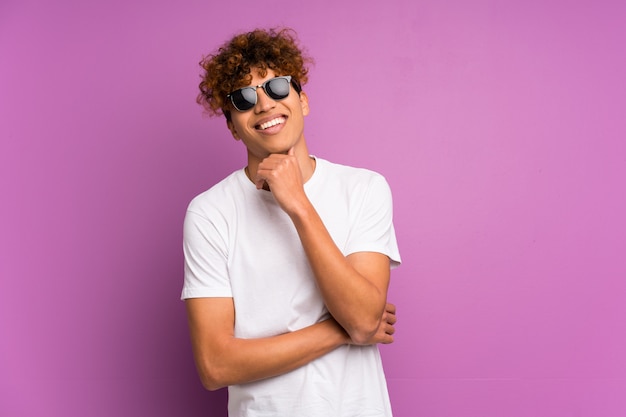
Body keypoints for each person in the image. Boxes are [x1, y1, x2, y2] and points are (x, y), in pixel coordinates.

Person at [181, 27, 402, 417]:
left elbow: (366, 318)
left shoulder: (364, 188)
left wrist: (298, 205)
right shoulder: (209, 213)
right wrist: (345, 329)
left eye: (278, 87)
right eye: (243, 98)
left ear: (302, 101)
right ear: (232, 126)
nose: (264, 105)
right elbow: (216, 366)